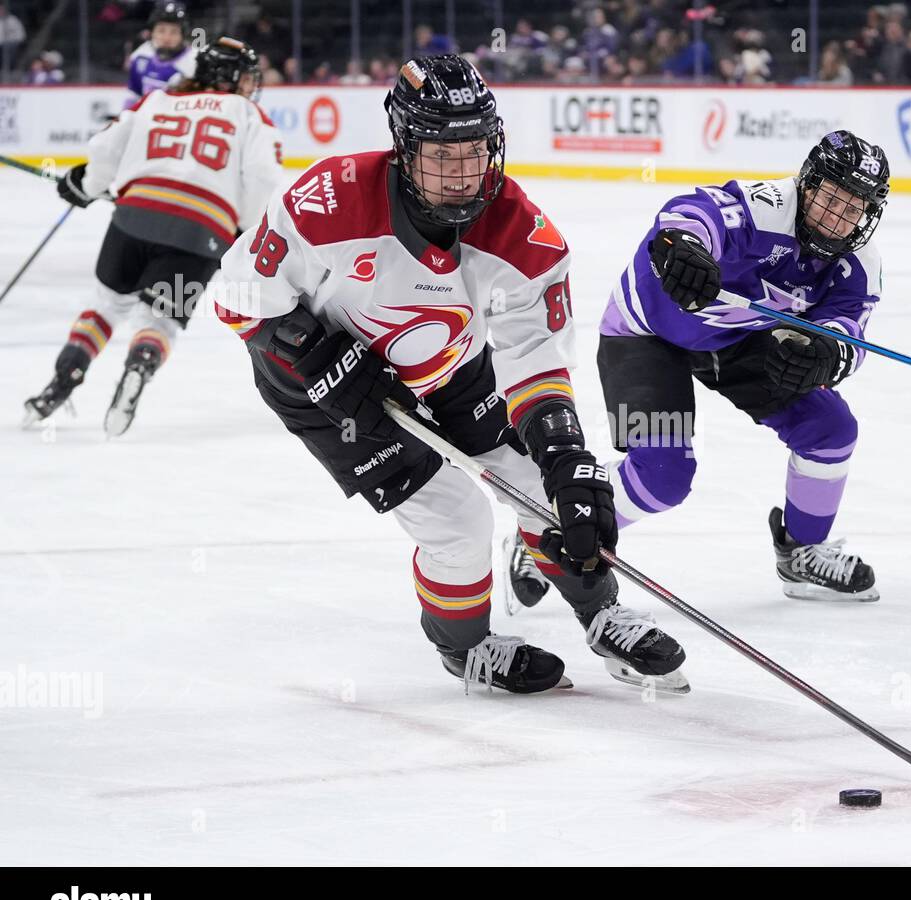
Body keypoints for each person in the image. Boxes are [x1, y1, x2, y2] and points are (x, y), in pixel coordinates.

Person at [205, 55, 686, 695]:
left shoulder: (523, 235)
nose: (463, 173)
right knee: (459, 522)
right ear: (404, 149)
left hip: (452, 365)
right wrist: (315, 355)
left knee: (547, 490)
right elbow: (239, 298)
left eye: (476, 150)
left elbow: (533, 357)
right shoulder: (327, 201)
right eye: (441, 153)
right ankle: (465, 648)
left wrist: (566, 452)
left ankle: (601, 614)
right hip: (329, 393)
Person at [521, 132, 886, 604]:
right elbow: (692, 213)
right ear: (808, 185)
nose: (839, 219)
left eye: (854, 208)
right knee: (663, 475)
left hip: (739, 341)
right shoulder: (766, 208)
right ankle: (555, 515)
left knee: (830, 428)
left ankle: (801, 551)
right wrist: (684, 247)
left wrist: (825, 353)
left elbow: (849, 329)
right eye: (832, 199)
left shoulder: (858, 263)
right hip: (647, 334)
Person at [24, 38, 281, 435]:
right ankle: (139, 367)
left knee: (105, 306)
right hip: (201, 232)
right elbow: (263, 180)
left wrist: (87, 185)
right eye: (246, 78)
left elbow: (107, 147)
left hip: (134, 217)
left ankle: (62, 379)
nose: (250, 87)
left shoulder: (159, 99)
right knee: (160, 319)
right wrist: (241, 233)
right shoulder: (251, 115)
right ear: (228, 77)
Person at [125, 1, 197, 107]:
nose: (166, 38)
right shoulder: (141, 56)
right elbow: (134, 95)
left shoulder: (194, 62)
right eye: (161, 30)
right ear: (151, 33)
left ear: (183, 35)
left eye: (174, 32)